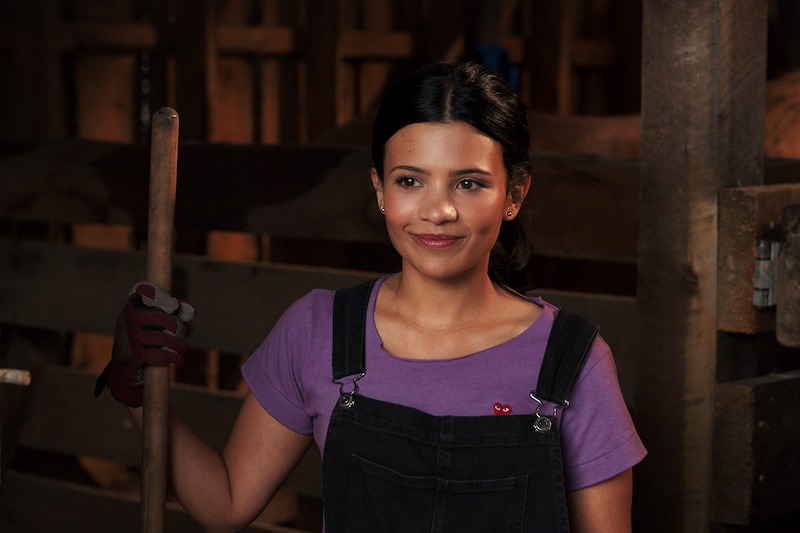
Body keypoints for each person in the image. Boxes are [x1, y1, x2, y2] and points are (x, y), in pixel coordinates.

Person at [96, 62, 646, 533]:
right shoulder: (319, 332)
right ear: (380, 190)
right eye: (410, 181)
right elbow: (225, 504)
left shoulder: (572, 360)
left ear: (514, 195)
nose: (438, 210)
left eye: (469, 183)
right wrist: (138, 389)